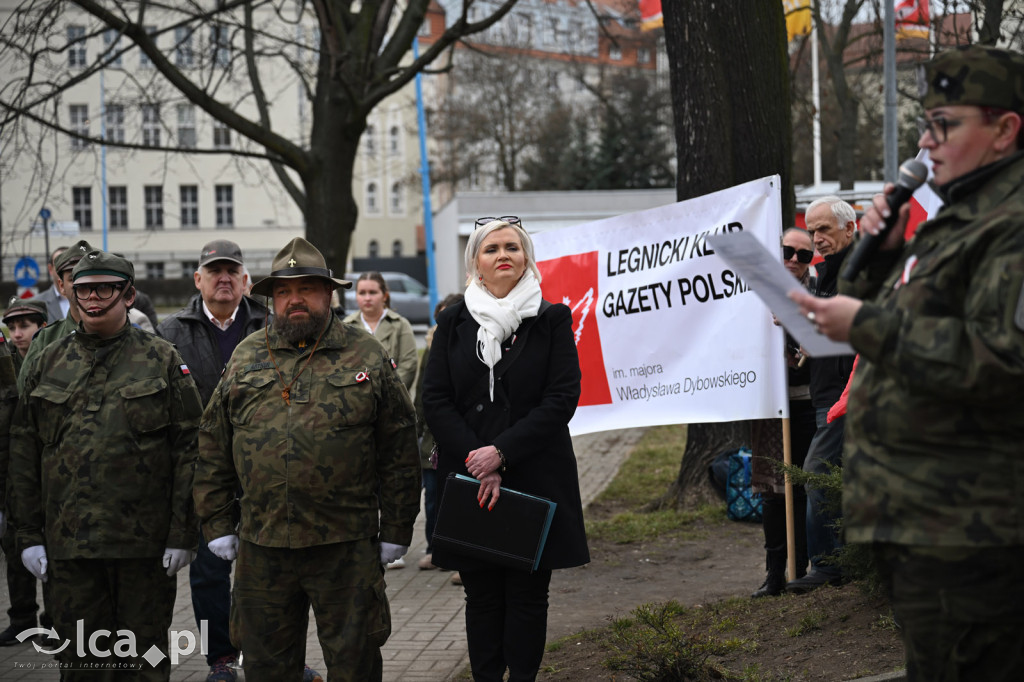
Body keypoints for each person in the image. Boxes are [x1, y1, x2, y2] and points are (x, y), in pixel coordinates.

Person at [791, 45, 1024, 681]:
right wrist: (879, 257)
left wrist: (865, 322)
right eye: (925, 124)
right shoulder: (960, 219)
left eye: (944, 123)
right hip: (928, 521)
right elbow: (905, 327)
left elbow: (1004, 357)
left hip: (980, 528)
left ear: (1005, 129)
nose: (925, 142)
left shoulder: (1012, 224)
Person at [194, 237, 420, 682]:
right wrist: (216, 523)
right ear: (272, 298)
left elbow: (399, 449)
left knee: (354, 663)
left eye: (308, 288)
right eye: (283, 291)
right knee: (266, 667)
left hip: (346, 546)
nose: (295, 299)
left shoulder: (366, 354)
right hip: (262, 546)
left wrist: (396, 528)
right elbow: (212, 444)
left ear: (329, 294)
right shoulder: (247, 355)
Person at [9, 251, 202, 679]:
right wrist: (27, 535)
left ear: (128, 294)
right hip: (68, 549)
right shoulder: (46, 361)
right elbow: (23, 450)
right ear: (71, 294)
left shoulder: (162, 359)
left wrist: (182, 533)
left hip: (144, 550)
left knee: (145, 661)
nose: (93, 298)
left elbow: (190, 448)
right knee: (81, 664)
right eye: (83, 289)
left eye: (105, 288)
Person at [422, 217, 590, 682]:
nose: (503, 255)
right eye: (491, 247)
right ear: (475, 261)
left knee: (528, 595)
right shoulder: (452, 322)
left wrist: (503, 453)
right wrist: (480, 458)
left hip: (536, 474)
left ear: (526, 258)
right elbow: (434, 400)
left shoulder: (552, 318)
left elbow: (562, 398)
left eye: (513, 247)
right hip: (470, 477)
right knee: (481, 596)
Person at [156, 240, 270, 682]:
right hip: (202, 473)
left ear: (246, 281)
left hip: (264, 469)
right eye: (213, 271)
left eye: (231, 271)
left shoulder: (270, 326)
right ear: (197, 279)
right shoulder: (170, 334)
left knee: (268, 572)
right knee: (207, 574)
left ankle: (270, 655)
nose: (223, 279)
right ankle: (221, 658)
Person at [785, 197, 857, 595]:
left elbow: (856, 311)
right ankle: (846, 563)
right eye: (812, 231)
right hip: (826, 391)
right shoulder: (824, 272)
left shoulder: (861, 268)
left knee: (817, 471)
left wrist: (806, 309)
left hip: (850, 392)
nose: (816, 239)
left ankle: (829, 566)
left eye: (824, 229)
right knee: (834, 475)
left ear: (849, 228)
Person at [749, 228, 816, 597]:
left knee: (804, 485)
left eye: (803, 255)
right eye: (788, 251)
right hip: (767, 403)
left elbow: (819, 350)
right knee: (772, 491)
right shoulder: (752, 287)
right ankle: (774, 572)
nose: (793, 259)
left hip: (804, 401)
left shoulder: (819, 290)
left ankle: (802, 569)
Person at [0, 298, 44, 646]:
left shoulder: (51, 362)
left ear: (41, 326)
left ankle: (57, 620)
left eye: (24, 326)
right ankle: (23, 618)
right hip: (11, 475)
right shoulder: (7, 366)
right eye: (12, 327)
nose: (17, 334)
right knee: (16, 548)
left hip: (47, 473)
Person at [412, 292, 464, 572]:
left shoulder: (473, 347)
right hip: (432, 442)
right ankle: (435, 547)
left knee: (461, 497)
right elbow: (423, 394)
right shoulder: (432, 349)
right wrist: (417, 430)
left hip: (464, 440)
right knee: (432, 497)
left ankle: (462, 554)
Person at [18, 239, 93, 392]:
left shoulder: (129, 337)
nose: (83, 283)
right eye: (74, 278)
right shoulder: (45, 341)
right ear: (61, 286)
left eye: (90, 276)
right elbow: (24, 401)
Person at [343, 272, 418, 389]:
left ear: (385, 296)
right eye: (362, 293)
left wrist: (386, 392)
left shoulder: (400, 325)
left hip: (392, 398)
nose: (367, 298)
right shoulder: (347, 325)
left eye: (372, 292)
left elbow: (409, 365)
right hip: (356, 399)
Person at [36, 246, 69, 322]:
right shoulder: (37, 304)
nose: (65, 269)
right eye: (60, 264)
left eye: (69, 264)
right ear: (50, 269)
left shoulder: (87, 299)